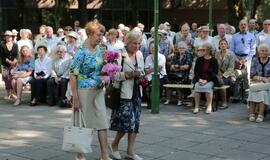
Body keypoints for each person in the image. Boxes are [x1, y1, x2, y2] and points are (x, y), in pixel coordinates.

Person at [69, 20, 111, 160]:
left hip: (99, 90)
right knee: (83, 123)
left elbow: (102, 70)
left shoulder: (100, 50)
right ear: (90, 33)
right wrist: (75, 98)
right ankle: (80, 155)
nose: (101, 38)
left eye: (102, 35)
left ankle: (104, 154)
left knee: (102, 122)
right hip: (83, 91)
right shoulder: (81, 51)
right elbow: (73, 75)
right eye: (99, 35)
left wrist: (107, 66)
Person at [109, 30, 144, 160]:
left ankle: (130, 151)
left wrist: (142, 75)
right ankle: (114, 145)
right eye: (134, 43)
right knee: (125, 124)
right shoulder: (119, 55)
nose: (136, 46)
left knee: (135, 124)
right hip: (123, 93)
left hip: (136, 92)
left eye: (139, 43)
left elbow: (141, 70)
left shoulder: (139, 54)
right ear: (127, 42)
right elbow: (113, 75)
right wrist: (129, 75)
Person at [230, 19, 256, 103]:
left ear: (247, 26)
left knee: (246, 77)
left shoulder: (251, 36)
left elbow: (253, 50)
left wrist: (245, 60)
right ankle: (236, 97)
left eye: (244, 24)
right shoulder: (234, 36)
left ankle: (246, 97)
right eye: (241, 24)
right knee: (236, 77)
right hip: (236, 58)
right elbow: (231, 50)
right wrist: (237, 60)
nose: (243, 26)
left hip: (247, 58)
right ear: (239, 26)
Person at [193, 43, 218, 114]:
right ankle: (196, 106)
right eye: (200, 50)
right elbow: (196, 73)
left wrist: (206, 80)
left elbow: (214, 74)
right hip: (200, 79)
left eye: (203, 50)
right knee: (197, 86)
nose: (201, 51)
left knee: (208, 87)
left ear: (208, 51)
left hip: (210, 79)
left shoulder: (214, 60)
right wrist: (199, 79)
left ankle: (209, 106)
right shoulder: (199, 60)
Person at [164, 41, 192, 106]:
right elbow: (171, 67)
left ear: (185, 48)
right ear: (178, 49)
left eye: (183, 48)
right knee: (169, 81)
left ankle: (179, 100)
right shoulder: (175, 55)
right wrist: (180, 67)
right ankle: (168, 99)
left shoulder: (188, 55)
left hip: (185, 74)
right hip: (175, 74)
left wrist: (177, 67)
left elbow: (186, 67)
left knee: (179, 82)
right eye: (180, 48)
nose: (181, 49)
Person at [248, 43, 270, 123]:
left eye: (266, 51)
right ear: (259, 51)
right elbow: (252, 75)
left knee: (262, 93)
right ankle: (251, 114)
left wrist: (266, 80)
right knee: (253, 91)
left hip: (268, 84)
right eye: (262, 51)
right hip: (257, 82)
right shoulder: (255, 60)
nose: (264, 52)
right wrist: (263, 79)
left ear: (269, 52)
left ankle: (260, 115)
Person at [145, 41, 167, 108]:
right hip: (149, 76)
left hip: (160, 75)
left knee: (157, 84)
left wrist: (150, 68)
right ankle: (149, 101)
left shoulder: (162, 57)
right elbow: (145, 70)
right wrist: (152, 69)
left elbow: (158, 69)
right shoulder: (148, 57)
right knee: (144, 85)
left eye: (154, 47)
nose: (153, 49)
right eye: (151, 47)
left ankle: (156, 101)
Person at [215, 39, 235, 109]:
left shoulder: (231, 54)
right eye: (221, 44)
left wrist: (223, 75)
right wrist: (218, 73)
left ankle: (224, 102)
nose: (223, 45)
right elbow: (215, 65)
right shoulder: (217, 53)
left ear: (227, 45)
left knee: (222, 82)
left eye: (224, 44)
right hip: (218, 73)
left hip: (228, 74)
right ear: (219, 45)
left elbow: (231, 68)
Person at [0, 30, 18, 99]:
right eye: (7, 36)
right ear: (5, 37)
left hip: (14, 64)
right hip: (5, 64)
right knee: (6, 79)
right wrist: (8, 61)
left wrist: (14, 62)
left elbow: (17, 55)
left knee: (13, 78)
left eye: (10, 36)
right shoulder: (2, 45)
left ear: (12, 37)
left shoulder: (15, 45)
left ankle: (13, 93)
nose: (9, 37)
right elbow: (1, 55)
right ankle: (8, 94)